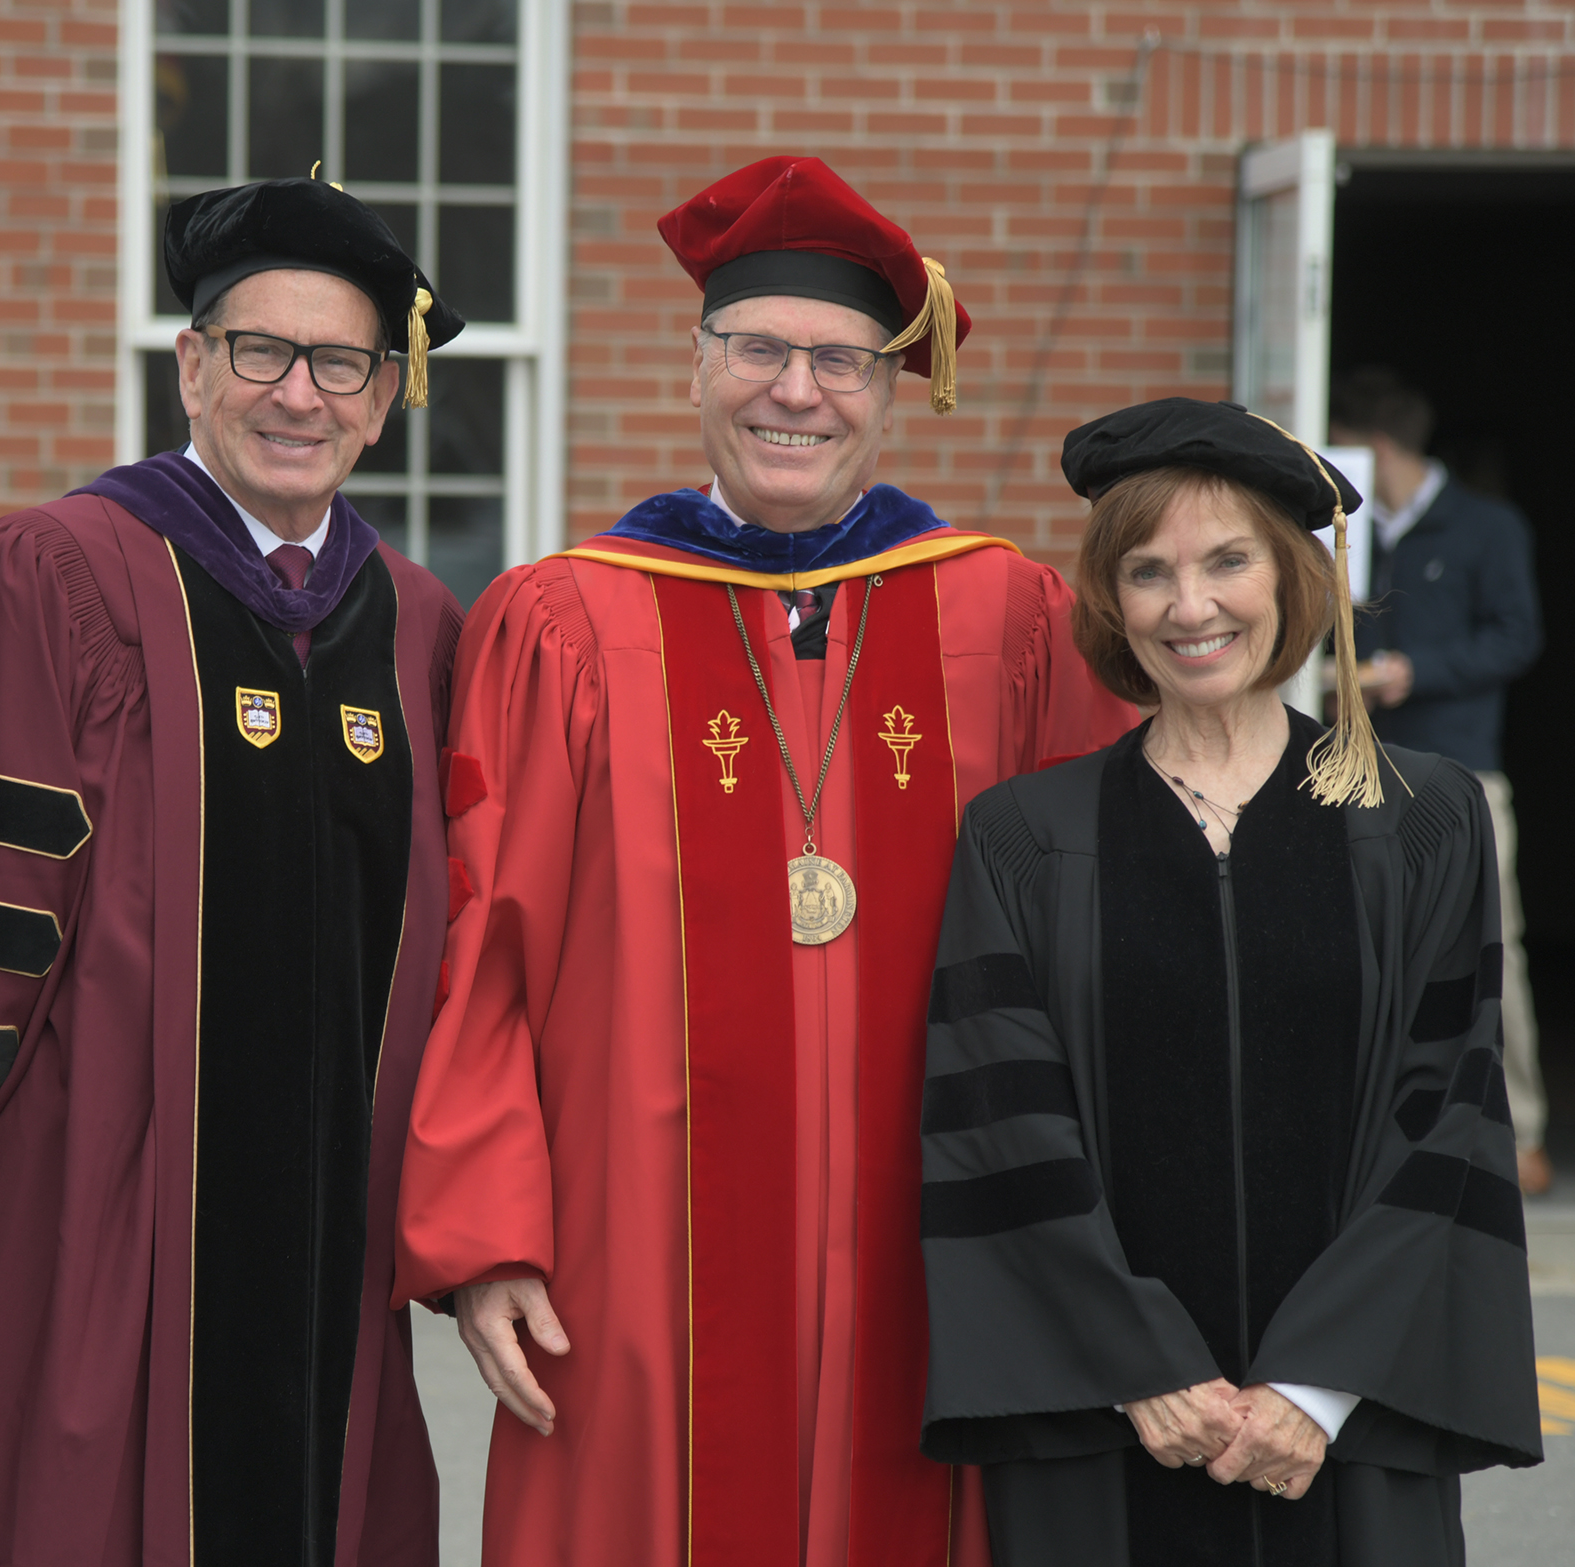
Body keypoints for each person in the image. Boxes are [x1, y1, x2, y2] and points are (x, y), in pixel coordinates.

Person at [392, 155, 1134, 1567]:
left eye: (843, 360)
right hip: (632, 1256)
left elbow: (1104, 927)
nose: (799, 391)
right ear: (696, 365)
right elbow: (485, 937)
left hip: (944, 1242)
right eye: (760, 349)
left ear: (895, 387)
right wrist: (489, 1229)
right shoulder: (559, 622)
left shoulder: (1012, 616)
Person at [0, 179, 466, 1567]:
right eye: (259, 351)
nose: (297, 394)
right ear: (190, 366)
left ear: (382, 399)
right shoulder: (51, 574)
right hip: (89, 1213)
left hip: (333, 1244)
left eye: (341, 363)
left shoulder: (414, 621)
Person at [920, 397, 1542, 1565]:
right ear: (1111, 602)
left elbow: (1446, 1113)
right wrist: (1141, 1364)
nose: (1189, 605)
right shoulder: (1022, 836)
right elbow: (1002, 1128)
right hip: (1105, 1428)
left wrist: (1315, 1386)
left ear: (1291, 577)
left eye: (1227, 561)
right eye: (1148, 572)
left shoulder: (1419, 818)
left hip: (1348, 1426)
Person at [1327, 368, 1548, 1193]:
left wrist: (1418, 671)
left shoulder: (1487, 527)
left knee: (1497, 949)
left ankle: (1519, 1128)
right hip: (1356, 769)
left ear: (1372, 445)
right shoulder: (1336, 527)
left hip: (1462, 767)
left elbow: (1517, 636)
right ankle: (1376, 1128)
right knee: (1368, 947)